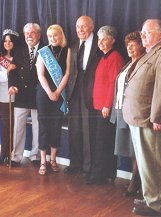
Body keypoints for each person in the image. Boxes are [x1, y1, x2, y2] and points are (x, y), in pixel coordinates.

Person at [123, 19, 161, 216]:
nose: (142, 37)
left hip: (153, 122)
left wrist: (158, 117)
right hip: (142, 119)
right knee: (147, 164)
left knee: (154, 165)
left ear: (160, 32)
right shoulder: (154, 52)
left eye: (146, 33)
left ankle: (156, 206)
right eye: (142, 33)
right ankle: (150, 199)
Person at [86, 25, 125, 184]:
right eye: (99, 39)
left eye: (104, 39)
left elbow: (114, 85)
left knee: (103, 142)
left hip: (104, 108)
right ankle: (104, 173)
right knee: (99, 141)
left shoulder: (115, 57)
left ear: (113, 40)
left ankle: (99, 175)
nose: (100, 42)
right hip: (97, 106)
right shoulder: (103, 57)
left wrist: (107, 105)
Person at [110, 31, 145, 196]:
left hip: (135, 113)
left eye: (133, 45)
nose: (129, 48)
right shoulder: (128, 64)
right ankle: (135, 180)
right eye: (127, 45)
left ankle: (135, 182)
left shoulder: (143, 64)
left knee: (137, 149)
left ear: (141, 45)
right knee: (131, 149)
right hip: (123, 111)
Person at [65, 16, 101, 175]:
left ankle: (88, 167)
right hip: (74, 91)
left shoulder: (99, 45)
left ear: (92, 27)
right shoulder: (73, 46)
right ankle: (75, 164)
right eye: (78, 27)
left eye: (83, 27)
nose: (80, 30)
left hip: (91, 92)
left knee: (88, 130)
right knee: (74, 128)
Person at [36, 24, 70, 175]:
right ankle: (43, 161)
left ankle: (53, 159)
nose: (52, 38)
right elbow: (40, 74)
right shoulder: (43, 52)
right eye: (50, 36)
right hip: (44, 93)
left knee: (56, 126)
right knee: (43, 126)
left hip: (59, 92)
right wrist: (50, 91)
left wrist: (57, 91)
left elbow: (67, 73)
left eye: (55, 35)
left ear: (61, 35)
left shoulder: (67, 51)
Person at [8, 23, 43, 167]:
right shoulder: (18, 51)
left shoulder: (46, 50)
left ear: (39, 35)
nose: (29, 36)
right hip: (21, 94)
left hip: (39, 94)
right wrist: (11, 85)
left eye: (32, 33)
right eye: (27, 33)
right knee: (18, 127)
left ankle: (35, 156)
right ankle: (16, 157)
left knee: (37, 126)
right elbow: (12, 71)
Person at [0, 29, 19, 165]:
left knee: (15, 126)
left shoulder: (19, 56)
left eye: (10, 41)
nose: (8, 43)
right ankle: (3, 154)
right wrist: (6, 73)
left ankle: (12, 155)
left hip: (17, 96)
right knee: (4, 126)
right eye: (5, 41)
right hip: (2, 96)